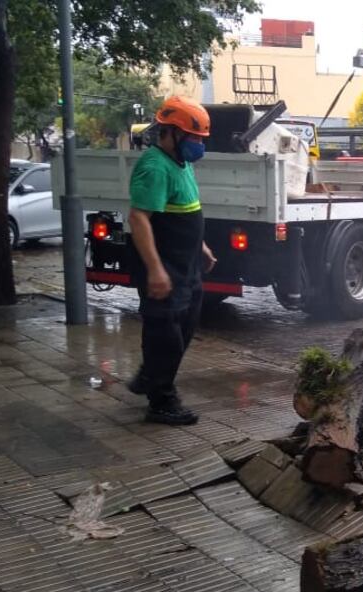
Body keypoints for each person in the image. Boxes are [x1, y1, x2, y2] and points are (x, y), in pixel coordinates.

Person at [126, 96, 217, 426]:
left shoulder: (182, 163)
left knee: (186, 325)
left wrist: (201, 247)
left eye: (200, 139)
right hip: (163, 265)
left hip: (186, 263)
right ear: (170, 134)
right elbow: (139, 219)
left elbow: (188, 211)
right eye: (193, 138)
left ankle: (150, 374)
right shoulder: (154, 166)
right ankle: (161, 401)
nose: (198, 145)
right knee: (166, 332)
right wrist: (154, 269)